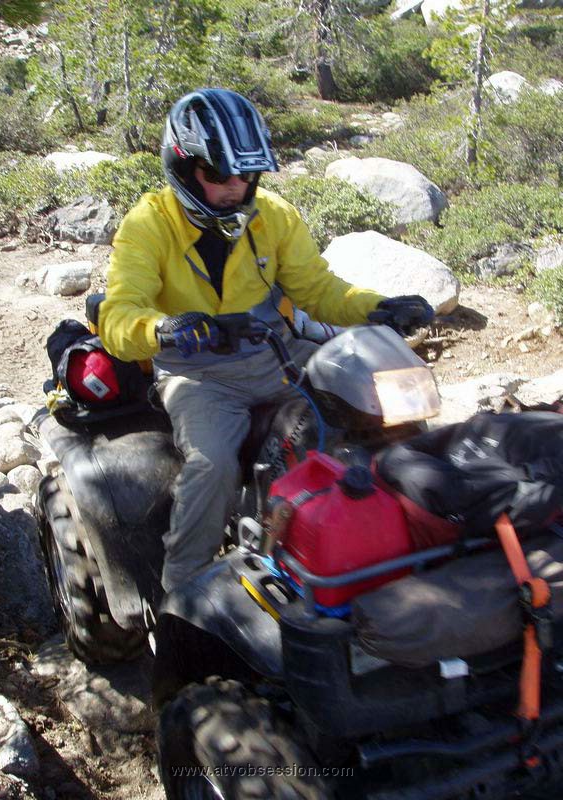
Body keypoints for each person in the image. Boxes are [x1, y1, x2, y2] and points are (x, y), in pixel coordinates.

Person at [98, 88, 433, 592]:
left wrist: (377, 307)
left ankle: (418, 538)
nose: (236, 187)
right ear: (185, 169)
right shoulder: (148, 225)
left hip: (279, 355)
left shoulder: (273, 216)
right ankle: (182, 589)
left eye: (247, 174)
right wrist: (163, 328)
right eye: (218, 175)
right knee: (211, 464)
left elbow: (318, 290)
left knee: (385, 411)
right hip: (200, 374)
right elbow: (118, 315)